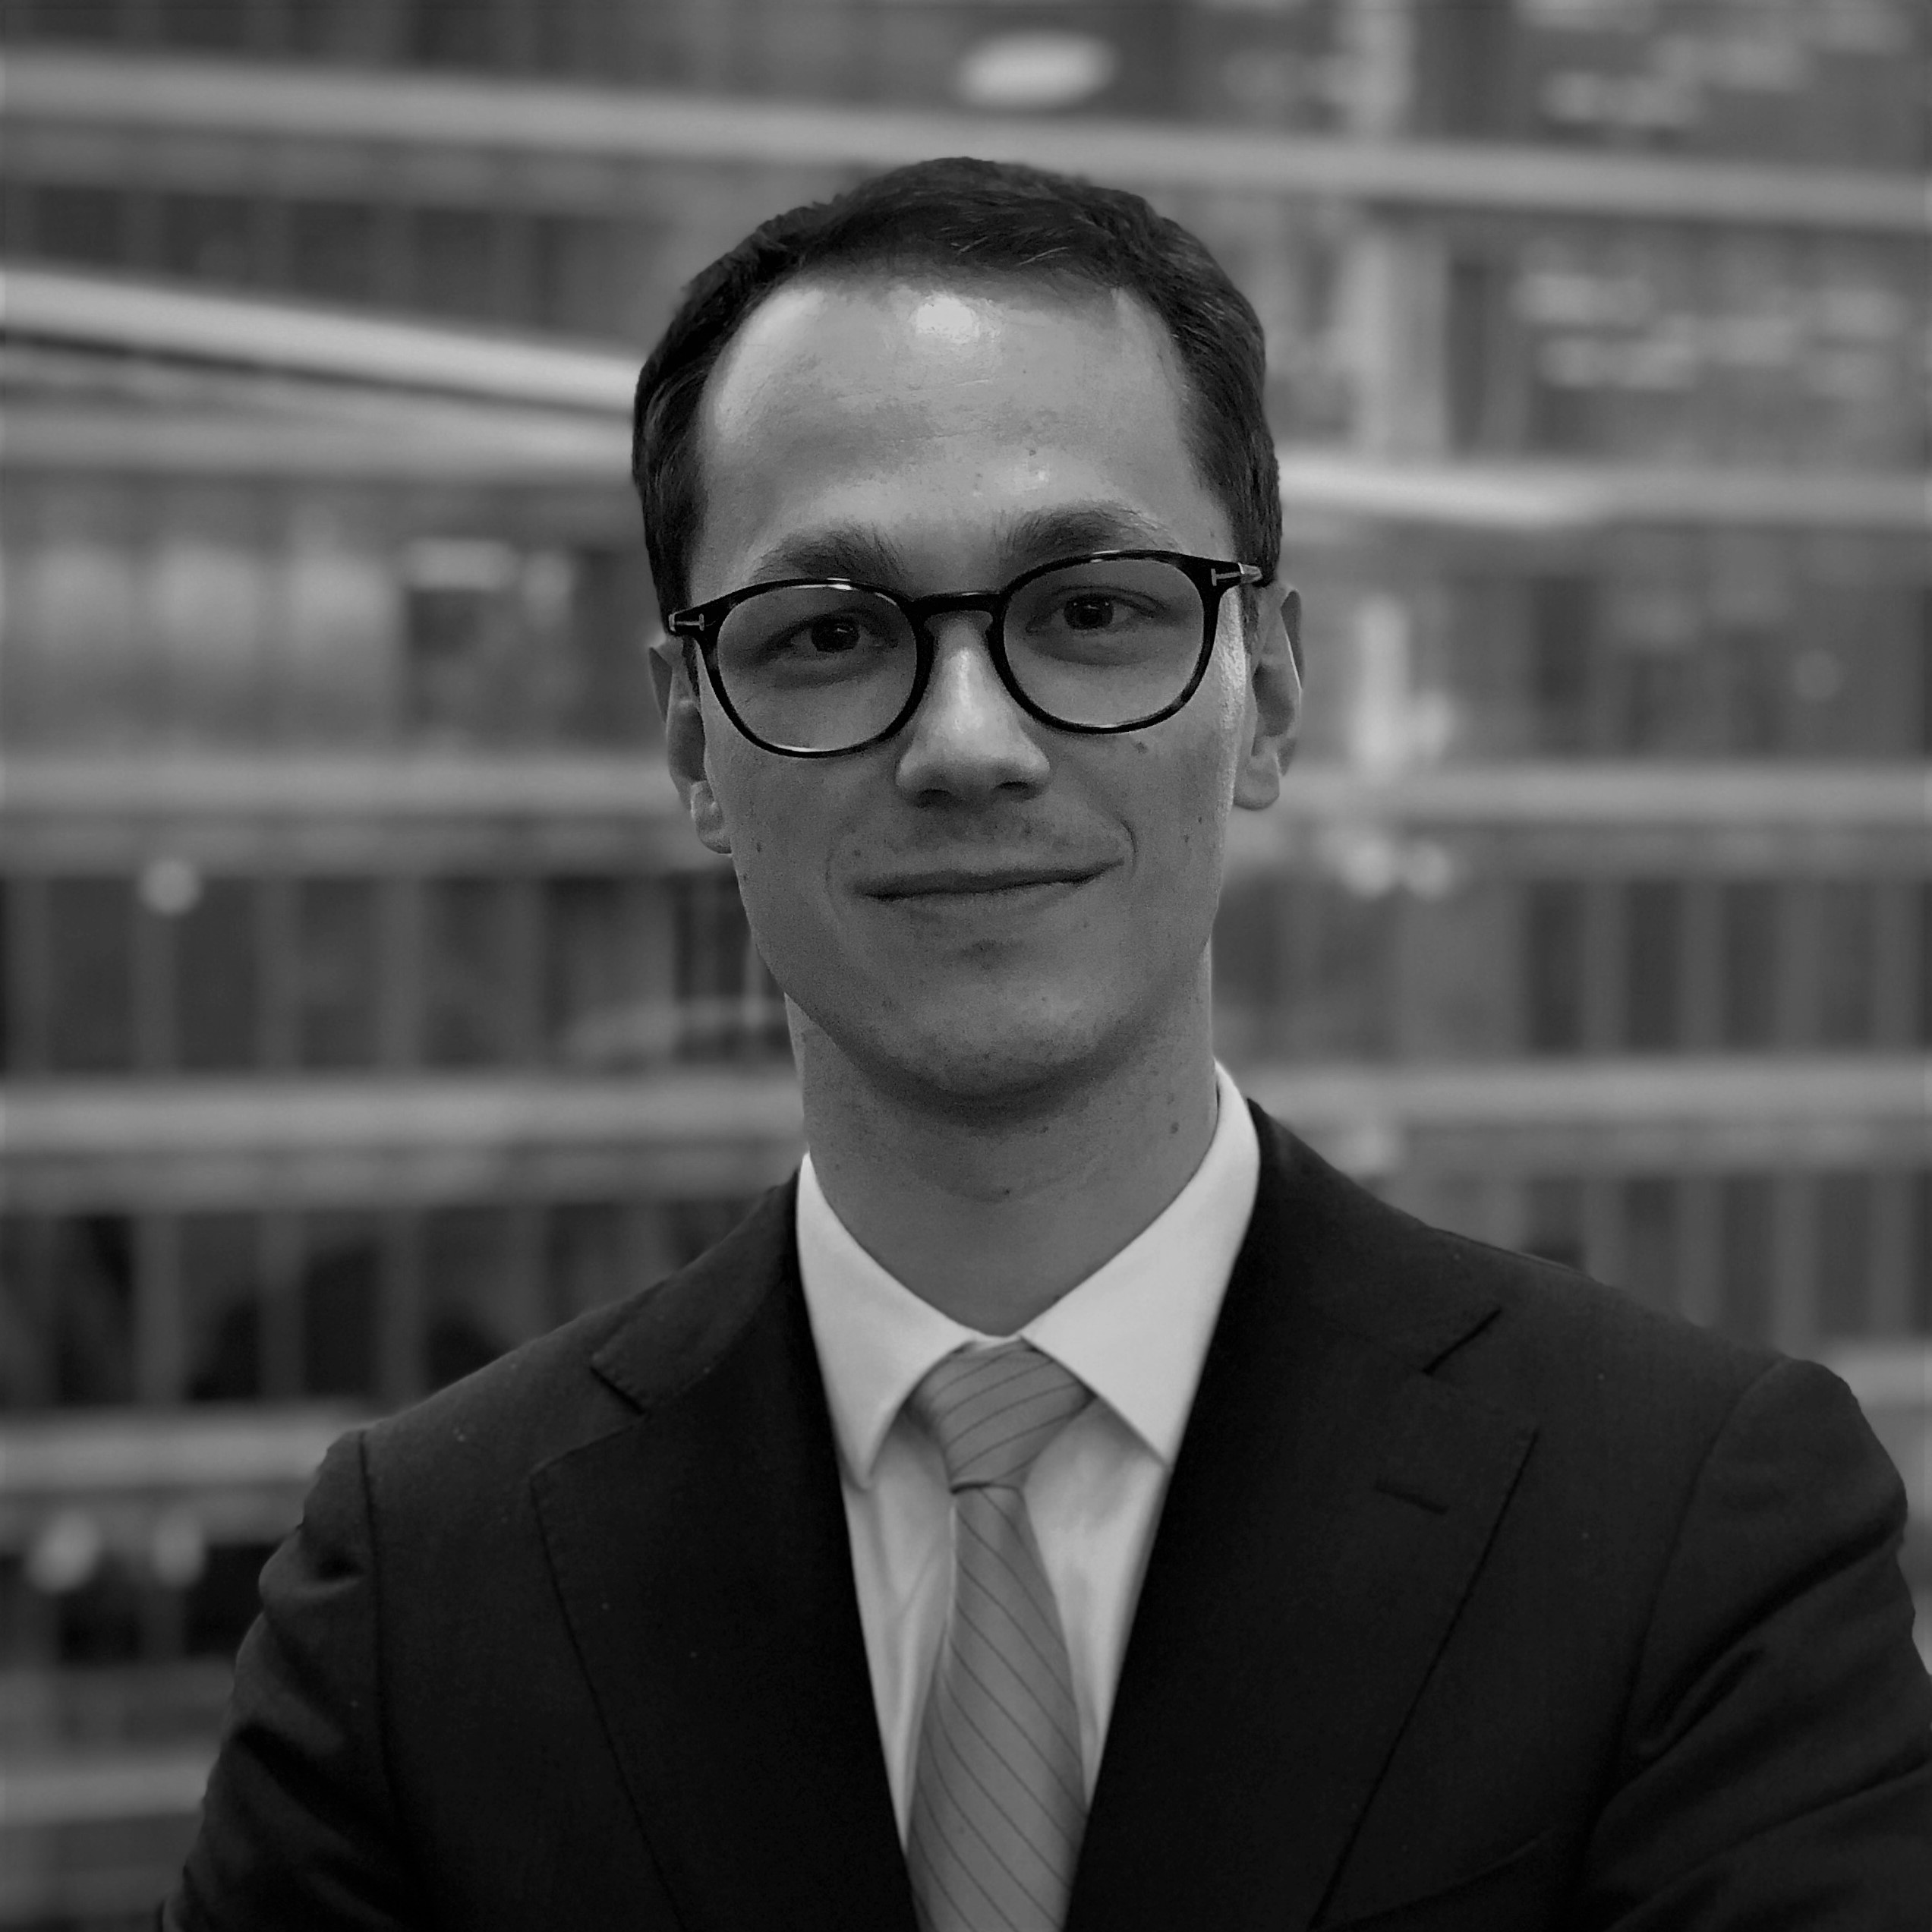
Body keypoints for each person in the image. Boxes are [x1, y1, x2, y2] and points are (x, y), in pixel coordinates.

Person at [165, 159, 1929, 1932]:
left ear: (1269, 694)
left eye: (1090, 611)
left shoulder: (1691, 1524)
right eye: (830, 632)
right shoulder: (416, 1594)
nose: (965, 742)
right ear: (693, 742)